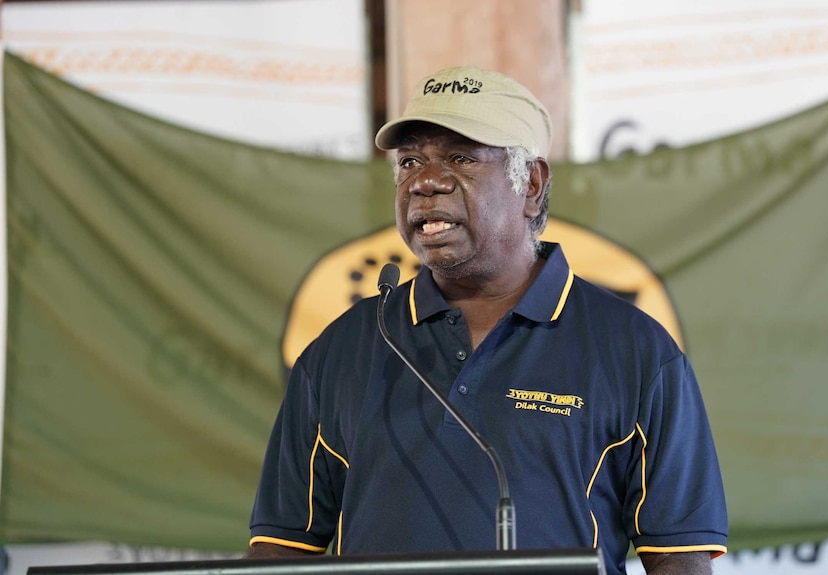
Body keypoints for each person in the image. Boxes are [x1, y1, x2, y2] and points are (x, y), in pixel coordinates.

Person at [246, 65, 728, 574]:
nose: (425, 182)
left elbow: (678, 555)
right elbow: (281, 547)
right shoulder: (343, 346)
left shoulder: (636, 350)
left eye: (461, 157)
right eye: (409, 161)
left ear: (532, 184)